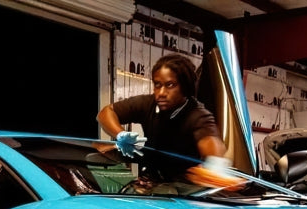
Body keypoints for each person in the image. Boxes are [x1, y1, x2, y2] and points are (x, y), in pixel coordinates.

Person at [97, 54, 228, 181]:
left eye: (170, 85)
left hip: (182, 190)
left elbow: (210, 144)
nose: (161, 93)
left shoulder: (198, 115)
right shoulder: (147, 104)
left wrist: (214, 165)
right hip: (150, 182)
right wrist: (121, 135)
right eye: (157, 85)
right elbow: (105, 113)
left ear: (185, 86)